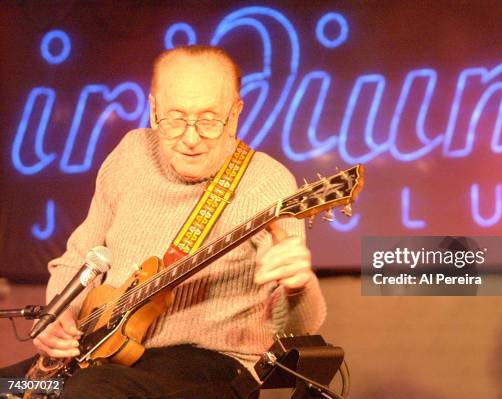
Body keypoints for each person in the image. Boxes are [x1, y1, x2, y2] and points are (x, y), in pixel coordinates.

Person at [26, 45, 327, 398]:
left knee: (87, 393)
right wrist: (59, 310)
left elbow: (299, 329)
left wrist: (298, 287)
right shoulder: (131, 152)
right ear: (153, 110)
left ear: (236, 114)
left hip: (212, 365)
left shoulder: (267, 183)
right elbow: (80, 254)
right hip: (104, 356)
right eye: (175, 118)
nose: (190, 137)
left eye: (210, 120)